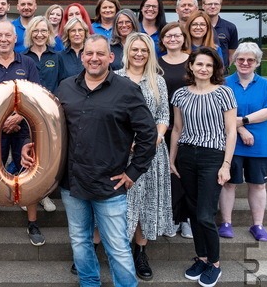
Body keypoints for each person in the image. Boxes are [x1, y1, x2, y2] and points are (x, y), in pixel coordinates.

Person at [22, 34, 157, 287]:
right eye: (89, 53)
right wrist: (33, 145)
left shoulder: (127, 89)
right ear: (82, 57)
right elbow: (52, 128)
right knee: (80, 241)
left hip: (110, 184)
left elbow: (148, 134)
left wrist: (133, 171)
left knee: (117, 246)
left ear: (110, 57)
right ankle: (89, 283)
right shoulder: (65, 87)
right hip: (72, 182)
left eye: (100, 54)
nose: (94, 58)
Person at [0, 21, 45, 246]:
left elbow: (36, 97)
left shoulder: (28, 63)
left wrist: (19, 117)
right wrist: (2, 120)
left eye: (8, 35)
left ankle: (32, 223)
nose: (3, 39)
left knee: (30, 171)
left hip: (24, 127)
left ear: (16, 39)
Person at [170, 47, 237, 287]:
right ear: (191, 66)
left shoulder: (224, 93)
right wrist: (171, 159)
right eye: (200, 64)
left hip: (213, 157)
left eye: (209, 65)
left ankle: (215, 264)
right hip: (186, 156)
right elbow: (177, 129)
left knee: (205, 215)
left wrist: (226, 164)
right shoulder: (180, 95)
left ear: (214, 69)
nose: (204, 69)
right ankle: (201, 257)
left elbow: (230, 131)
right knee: (193, 212)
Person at [115, 33, 173, 281]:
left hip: (151, 152)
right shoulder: (115, 78)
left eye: (144, 50)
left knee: (146, 205)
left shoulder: (157, 81)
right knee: (118, 203)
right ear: (127, 51)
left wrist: (155, 138)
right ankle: (108, 250)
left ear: (150, 54)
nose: (139, 54)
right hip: (119, 153)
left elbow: (163, 116)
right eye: (135, 49)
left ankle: (140, 252)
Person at [219, 42, 267, 242]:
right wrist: (241, 129)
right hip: (231, 144)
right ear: (234, 61)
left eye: (250, 60)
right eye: (241, 59)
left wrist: (243, 120)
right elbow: (221, 113)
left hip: (259, 145)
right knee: (228, 184)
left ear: (257, 63)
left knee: (258, 185)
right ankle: (226, 222)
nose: (245, 63)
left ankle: (258, 225)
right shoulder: (225, 83)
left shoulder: (265, 85)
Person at [22, 15, 64, 212]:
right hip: (27, 114)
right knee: (29, 154)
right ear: (30, 33)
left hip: (50, 115)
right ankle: (28, 193)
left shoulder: (56, 57)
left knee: (47, 156)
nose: (39, 34)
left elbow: (63, 85)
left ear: (49, 33)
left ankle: (43, 194)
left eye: (43, 31)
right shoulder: (22, 57)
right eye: (36, 31)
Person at [158, 22, 193, 239]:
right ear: (162, 40)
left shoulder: (192, 61)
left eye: (177, 35)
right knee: (170, 175)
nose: (173, 39)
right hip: (164, 128)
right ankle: (171, 217)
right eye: (168, 36)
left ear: (183, 38)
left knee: (187, 172)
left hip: (190, 127)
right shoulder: (157, 64)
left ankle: (187, 219)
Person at [201, 0, 239, 67]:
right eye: (209, 4)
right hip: (200, 71)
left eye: (216, 4)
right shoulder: (196, 27)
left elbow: (232, 52)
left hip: (222, 74)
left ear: (220, 6)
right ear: (203, 6)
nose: (213, 6)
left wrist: (225, 67)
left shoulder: (230, 27)